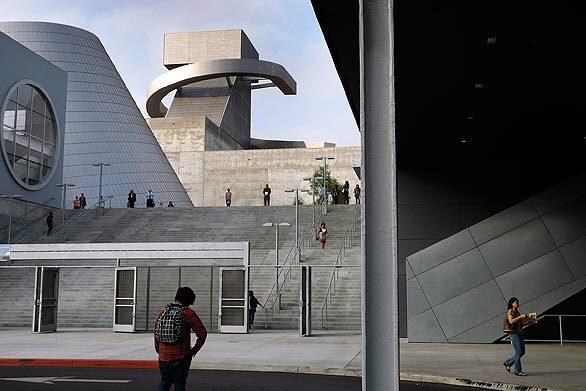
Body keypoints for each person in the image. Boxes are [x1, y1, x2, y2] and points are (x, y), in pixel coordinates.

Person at [154, 287, 207, 391]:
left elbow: (156, 332)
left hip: (163, 356)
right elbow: (202, 334)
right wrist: (193, 351)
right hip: (181, 357)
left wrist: (159, 350)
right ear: (190, 299)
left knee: (165, 381)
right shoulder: (188, 313)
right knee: (179, 383)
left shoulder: (163, 311)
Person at [502, 297, 537, 377]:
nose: (518, 304)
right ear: (512, 303)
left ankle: (508, 362)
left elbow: (519, 323)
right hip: (514, 334)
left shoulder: (516, 312)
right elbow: (511, 321)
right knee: (519, 352)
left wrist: (529, 322)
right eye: (516, 302)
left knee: (522, 352)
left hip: (519, 333)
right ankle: (518, 371)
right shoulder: (510, 311)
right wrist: (521, 317)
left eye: (518, 302)